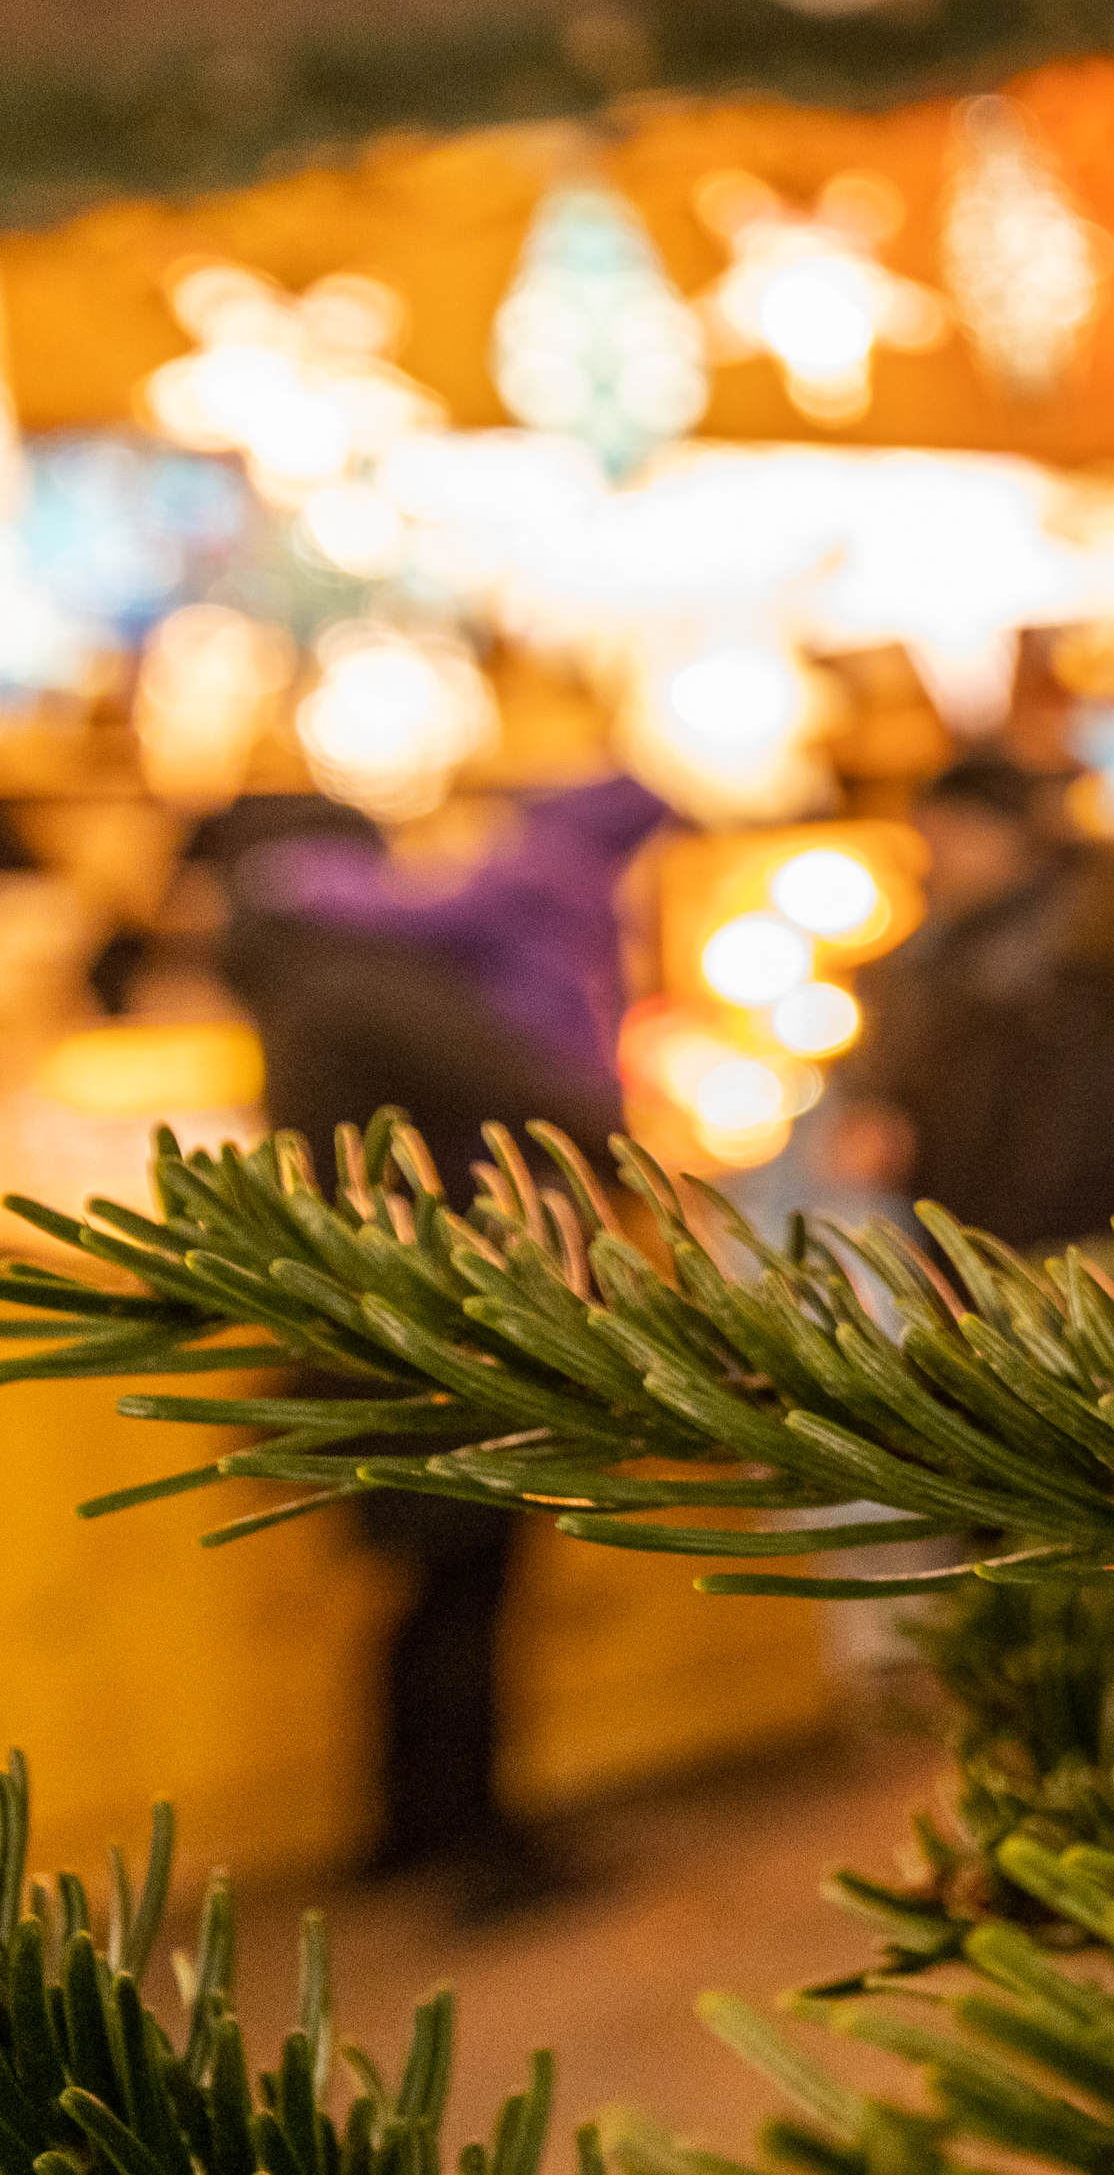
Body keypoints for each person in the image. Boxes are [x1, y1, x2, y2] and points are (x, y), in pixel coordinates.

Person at [203, 778, 666, 1919]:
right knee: (471, 1578)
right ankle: (483, 1844)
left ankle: (407, 1825)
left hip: (365, 1314)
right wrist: (625, 1146)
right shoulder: (369, 976)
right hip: (448, 1321)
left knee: (423, 1588)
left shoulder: (288, 978)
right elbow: (531, 1093)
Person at [830, 756, 1114, 1251]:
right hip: (953, 1239)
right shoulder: (923, 959)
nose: (934, 858)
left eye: (952, 835)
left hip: (1070, 1247)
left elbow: (1095, 1128)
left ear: (1009, 837)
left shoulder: (1084, 957)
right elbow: (880, 1081)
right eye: (927, 837)